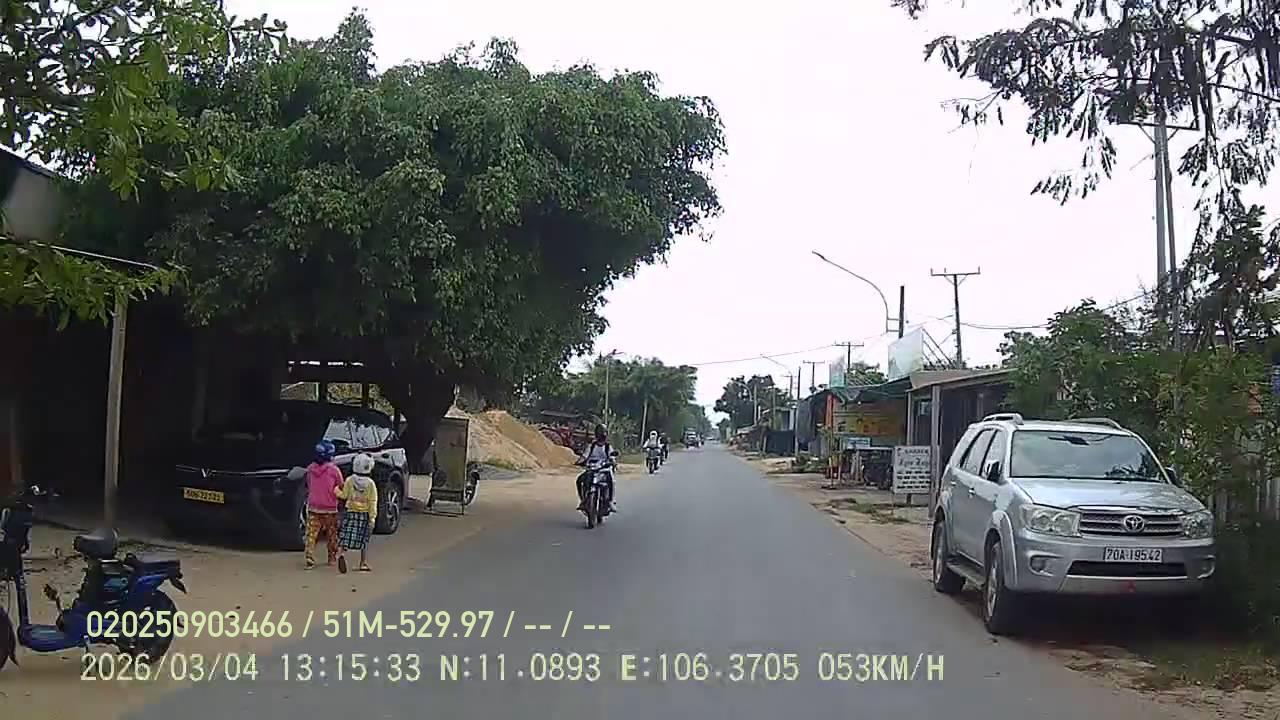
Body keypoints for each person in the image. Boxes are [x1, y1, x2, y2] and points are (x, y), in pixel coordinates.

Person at [335, 452, 379, 573]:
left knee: (347, 536)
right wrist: (372, 518)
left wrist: (336, 491)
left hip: (350, 512)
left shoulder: (350, 480)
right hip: (364, 515)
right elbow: (373, 501)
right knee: (364, 539)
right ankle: (363, 562)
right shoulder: (371, 484)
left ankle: (342, 553)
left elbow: (344, 495)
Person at [303, 441, 343, 569]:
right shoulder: (334, 470)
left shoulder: (310, 469)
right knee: (332, 535)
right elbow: (341, 485)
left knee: (311, 533)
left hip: (313, 506)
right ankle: (331, 557)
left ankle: (309, 556)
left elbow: (309, 484)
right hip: (330, 508)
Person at [576, 424, 614, 511]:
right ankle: (583, 500)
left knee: (611, 481)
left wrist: (612, 462)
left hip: (604, 469)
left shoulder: (608, 447)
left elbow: (612, 457)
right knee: (579, 480)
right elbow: (585, 456)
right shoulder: (592, 446)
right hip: (592, 469)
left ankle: (610, 501)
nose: (602, 436)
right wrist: (579, 462)